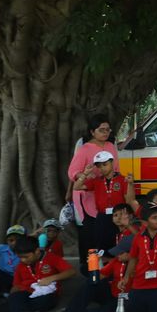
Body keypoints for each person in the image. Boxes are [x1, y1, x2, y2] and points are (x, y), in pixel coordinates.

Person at [66, 114, 118, 270]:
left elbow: (116, 169)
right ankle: (89, 267)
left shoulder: (110, 146)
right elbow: (73, 172)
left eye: (108, 130)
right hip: (87, 193)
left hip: (106, 194)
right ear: (92, 131)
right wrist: (84, 175)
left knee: (107, 228)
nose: (105, 133)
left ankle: (108, 266)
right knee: (90, 230)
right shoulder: (85, 149)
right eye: (101, 130)